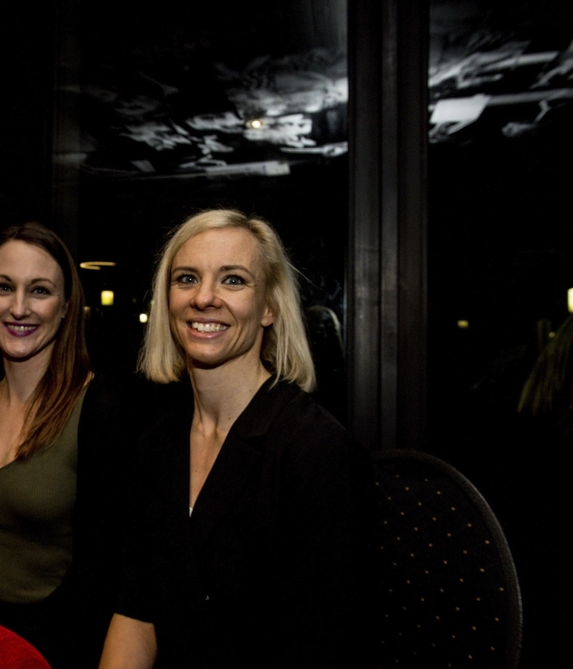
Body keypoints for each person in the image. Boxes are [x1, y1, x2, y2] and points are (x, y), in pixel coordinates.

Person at [100, 209, 371, 668]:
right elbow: (137, 612)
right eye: (187, 278)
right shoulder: (155, 446)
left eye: (233, 280)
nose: (204, 298)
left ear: (268, 306)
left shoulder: (318, 453)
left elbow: (325, 647)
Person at [0, 222, 123, 668]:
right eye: (4, 287)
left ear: (66, 307)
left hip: (53, 644)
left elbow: (113, 576)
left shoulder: (102, 410)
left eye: (40, 290)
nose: (19, 307)